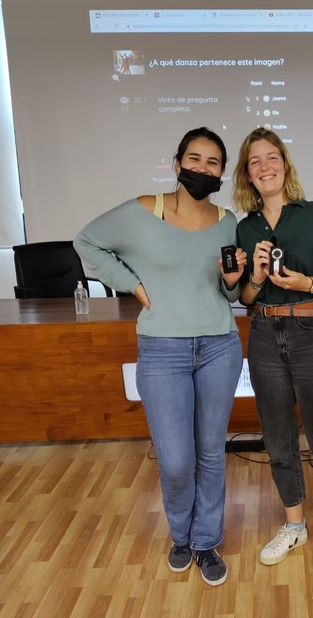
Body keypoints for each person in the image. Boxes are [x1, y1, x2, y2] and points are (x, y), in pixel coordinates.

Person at [74, 127, 245, 587]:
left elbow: (229, 291)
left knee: (210, 453)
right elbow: (86, 241)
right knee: (175, 460)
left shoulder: (230, 223)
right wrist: (132, 284)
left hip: (219, 347)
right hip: (162, 351)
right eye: (195, 159)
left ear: (222, 173)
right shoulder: (141, 211)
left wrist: (234, 278)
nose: (203, 169)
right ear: (177, 163)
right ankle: (180, 536)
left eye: (213, 163)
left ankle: (206, 541)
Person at [232, 128, 313, 573]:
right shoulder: (244, 227)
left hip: (311, 331)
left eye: (271, 157)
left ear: (284, 163)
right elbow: (246, 298)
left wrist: (309, 283)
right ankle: (295, 524)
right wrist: (258, 277)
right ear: (246, 174)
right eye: (254, 161)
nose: (264, 167)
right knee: (278, 436)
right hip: (264, 335)